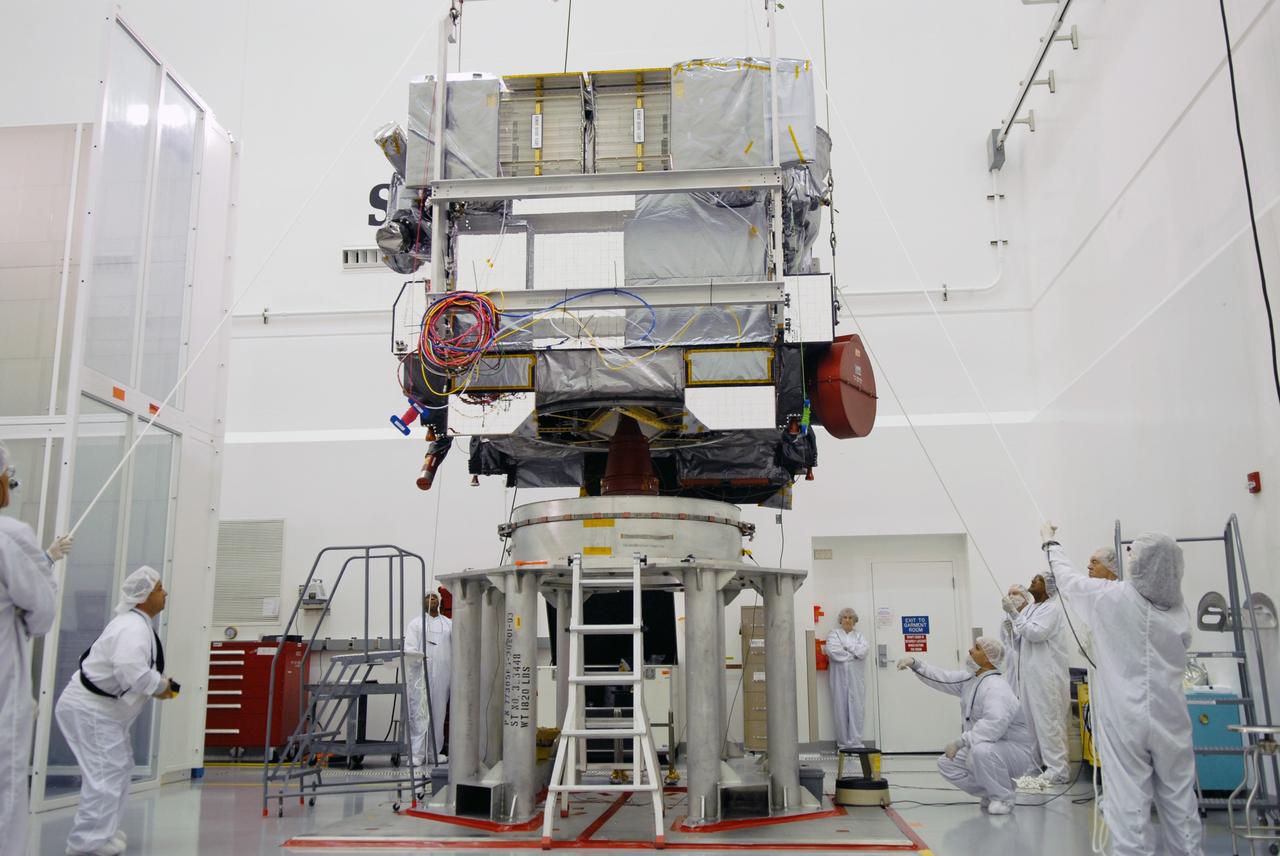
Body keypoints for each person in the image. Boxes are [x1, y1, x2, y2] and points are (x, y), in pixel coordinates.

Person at [1040, 522, 1202, 856]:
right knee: (1180, 801)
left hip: (1125, 717)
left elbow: (1067, 581)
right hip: (1170, 716)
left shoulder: (1110, 597)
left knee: (1129, 801)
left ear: (1142, 563)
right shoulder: (1179, 610)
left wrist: (1051, 544)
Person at [56, 566, 177, 856]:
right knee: (105, 774)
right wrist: (161, 686)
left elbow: (133, 671)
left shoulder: (136, 624)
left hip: (103, 711)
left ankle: (103, 832)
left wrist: (161, 685)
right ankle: (86, 843)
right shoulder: (132, 628)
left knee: (118, 769)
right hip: (90, 710)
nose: (165, 593)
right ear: (143, 597)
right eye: (159, 589)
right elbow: (130, 671)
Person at [0, 442, 73, 856]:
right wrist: (44, 563)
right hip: (3, 692)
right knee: (6, 798)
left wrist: (44, 557)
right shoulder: (9, 536)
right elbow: (41, 613)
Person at [897, 636, 1035, 815]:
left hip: (1014, 750)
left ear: (988, 658)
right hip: (988, 744)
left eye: (976, 648)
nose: (970, 650)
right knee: (947, 764)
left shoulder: (997, 688)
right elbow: (943, 678)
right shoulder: (972, 679)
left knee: (981, 752)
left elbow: (993, 725)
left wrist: (960, 742)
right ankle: (993, 791)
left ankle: (1004, 798)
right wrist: (915, 664)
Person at [1002, 571, 1071, 784]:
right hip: (1030, 676)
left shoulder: (1051, 610)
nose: (1033, 580)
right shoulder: (1031, 608)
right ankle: (1035, 764)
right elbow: (1021, 642)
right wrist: (1011, 632)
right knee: (1031, 723)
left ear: (1048, 587)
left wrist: (1014, 614)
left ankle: (1058, 770)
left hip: (1047, 676)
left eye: (1038, 579)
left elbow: (1036, 634)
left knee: (1048, 722)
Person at [405, 591, 451, 766]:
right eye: (428, 597)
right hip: (421, 675)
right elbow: (409, 648)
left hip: (442, 675)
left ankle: (434, 753)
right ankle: (417, 754)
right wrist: (421, 658)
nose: (432, 599)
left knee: (438, 714)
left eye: (435, 597)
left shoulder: (449, 624)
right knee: (419, 712)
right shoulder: (416, 624)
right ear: (422, 602)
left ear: (439, 602)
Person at [825, 607, 869, 750]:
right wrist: (853, 654)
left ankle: (855, 743)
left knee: (857, 708)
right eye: (845, 617)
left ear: (854, 621)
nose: (847, 620)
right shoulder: (834, 634)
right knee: (840, 708)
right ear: (840, 620)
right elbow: (832, 651)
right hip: (839, 677)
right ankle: (843, 745)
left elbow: (863, 651)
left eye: (850, 618)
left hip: (856, 678)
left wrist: (846, 648)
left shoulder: (860, 636)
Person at [998, 585, 1029, 697]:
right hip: (1011, 664)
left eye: (1015, 593)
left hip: (1028, 664)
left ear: (1025, 597)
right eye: (1009, 594)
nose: (1011, 596)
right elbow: (1004, 640)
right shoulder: (1006, 619)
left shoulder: (1030, 616)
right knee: (1014, 695)